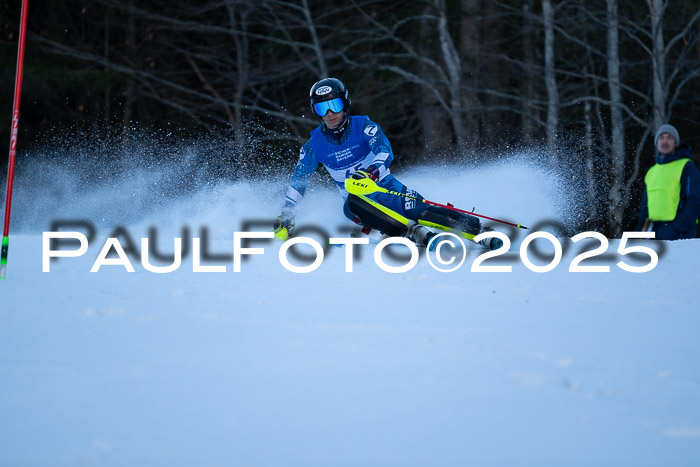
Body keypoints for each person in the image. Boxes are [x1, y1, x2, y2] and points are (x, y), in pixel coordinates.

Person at [273, 77, 501, 249]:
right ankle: (411, 231)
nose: (331, 113)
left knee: (421, 210)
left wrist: (371, 173)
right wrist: (287, 213)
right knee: (352, 201)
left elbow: (384, 151)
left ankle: (479, 231)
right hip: (358, 204)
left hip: (387, 187)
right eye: (323, 108)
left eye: (335, 105)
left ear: (346, 104)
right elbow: (299, 180)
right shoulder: (314, 145)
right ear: (316, 112)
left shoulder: (363, 126)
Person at [636, 123, 700, 240]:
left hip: (679, 232)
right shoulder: (652, 171)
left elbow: (695, 199)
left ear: (675, 143)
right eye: (661, 137)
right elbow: (645, 206)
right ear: (657, 143)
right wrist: (641, 231)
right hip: (654, 231)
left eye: (669, 138)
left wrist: (679, 227)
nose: (665, 141)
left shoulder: (687, 167)